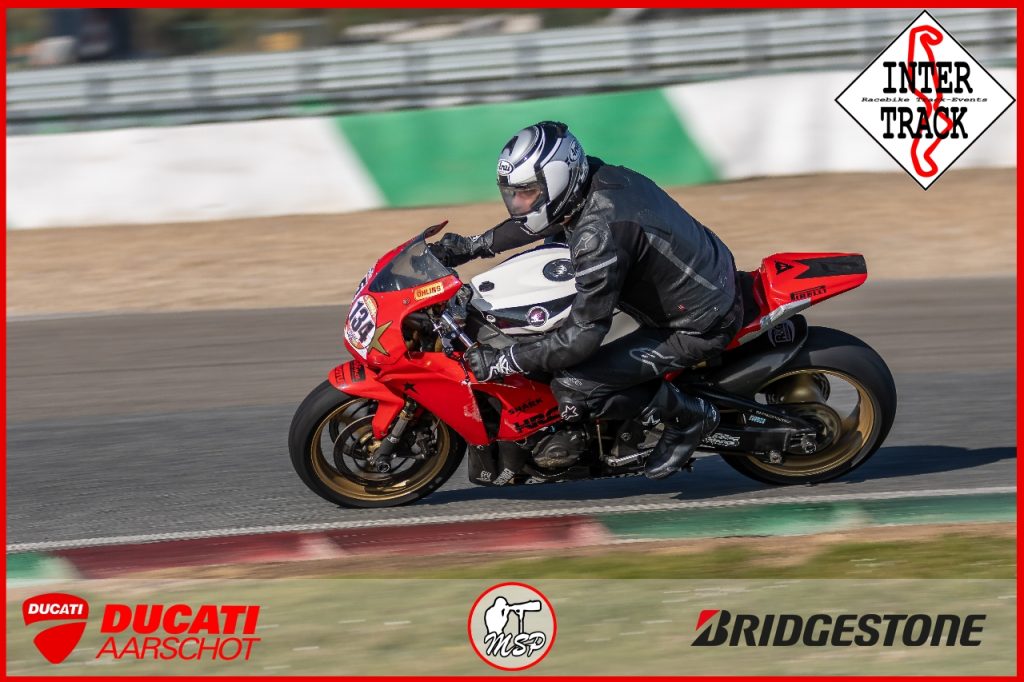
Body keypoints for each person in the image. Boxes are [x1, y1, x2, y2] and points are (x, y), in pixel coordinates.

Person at [430, 121, 742, 480]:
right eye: (512, 193)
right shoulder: (589, 179)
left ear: (559, 178)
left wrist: (504, 360)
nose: (518, 203)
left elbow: (582, 336)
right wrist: (471, 246)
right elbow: (540, 219)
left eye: (527, 192)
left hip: (696, 322)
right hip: (696, 274)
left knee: (574, 385)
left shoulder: (597, 234)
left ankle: (690, 418)